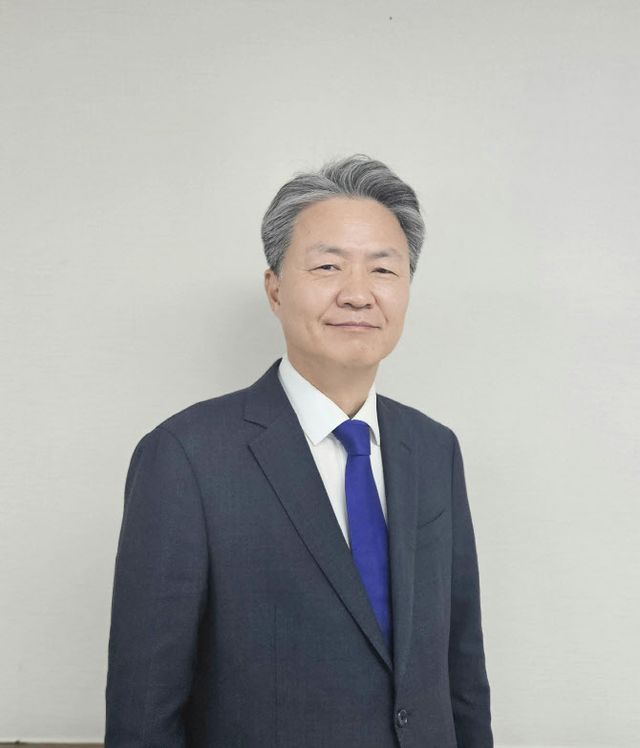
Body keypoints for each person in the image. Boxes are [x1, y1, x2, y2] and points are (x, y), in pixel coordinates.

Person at [104, 154, 493, 747]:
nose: (358, 294)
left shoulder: (434, 449)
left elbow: (461, 669)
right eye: (328, 266)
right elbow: (144, 711)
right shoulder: (186, 457)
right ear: (275, 289)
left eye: (383, 269)